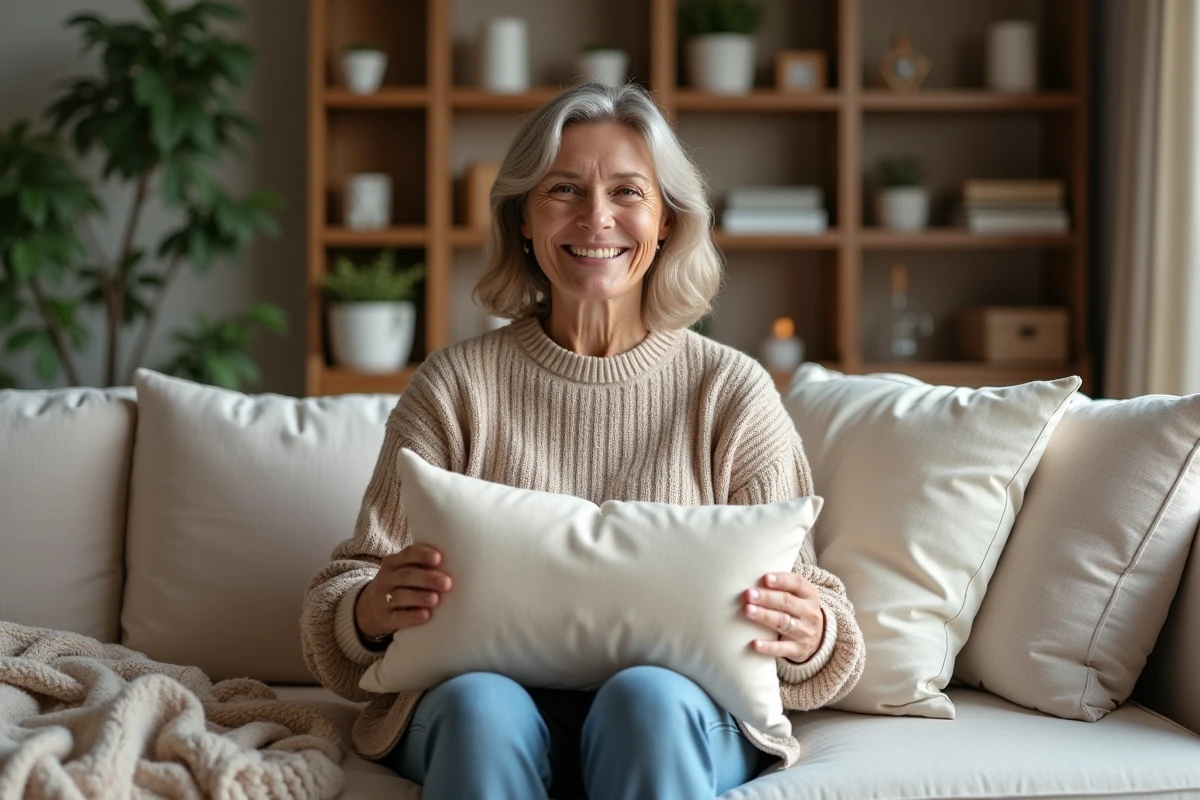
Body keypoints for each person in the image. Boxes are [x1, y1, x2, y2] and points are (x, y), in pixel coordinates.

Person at [300, 82, 865, 800]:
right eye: (563, 190)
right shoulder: (454, 386)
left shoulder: (730, 391)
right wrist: (368, 610)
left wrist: (812, 633)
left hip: (675, 710)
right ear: (525, 222)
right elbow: (339, 603)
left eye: (628, 192)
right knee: (480, 708)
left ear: (665, 222)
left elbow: (822, 623)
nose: (596, 217)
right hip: (480, 707)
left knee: (646, 702)